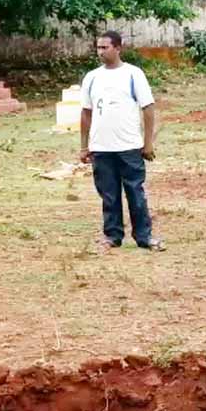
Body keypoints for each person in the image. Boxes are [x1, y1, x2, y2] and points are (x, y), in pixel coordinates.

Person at [80, 30, 165, 252]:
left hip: (129, 147)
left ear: (118, 48)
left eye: (105, 47)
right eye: (98, 47)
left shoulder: (133, 74)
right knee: (108, 195)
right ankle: (112, 236)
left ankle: (144, 237)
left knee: (135, 193)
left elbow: (148, 108)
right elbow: (86, 112)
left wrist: (148, 143)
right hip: (101, 147)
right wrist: (84, 146)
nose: (100, 52)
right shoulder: (92, 78)